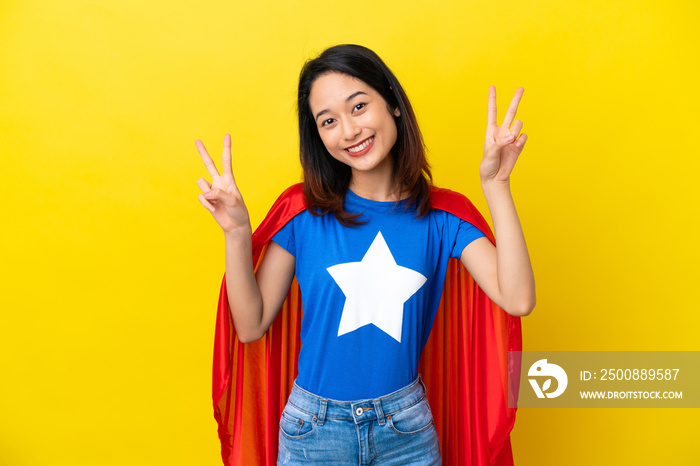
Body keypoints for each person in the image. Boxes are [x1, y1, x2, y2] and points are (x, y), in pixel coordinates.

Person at [196, 44, 535, 465]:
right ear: (318, 136)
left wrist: (497, 186)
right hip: (312, 433)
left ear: (392, 103)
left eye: (358, 106)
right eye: (329, 121)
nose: (349, 131)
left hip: (405, 431)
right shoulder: (302, 213)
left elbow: (518, 299)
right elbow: (249, 326)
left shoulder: (443, 217)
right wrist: (237, 234)